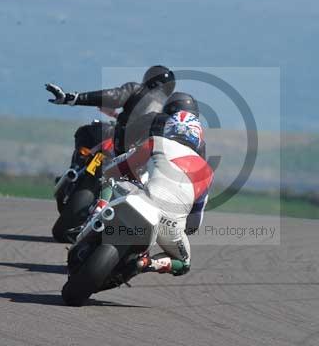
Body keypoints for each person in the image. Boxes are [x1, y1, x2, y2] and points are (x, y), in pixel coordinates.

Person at [102, 108, 212, 276]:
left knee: (108, 178)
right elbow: (195, 220)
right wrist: (183, 229)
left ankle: (97, 211)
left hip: (143, 202)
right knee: (184, 263)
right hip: (171, 225)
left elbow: (121, 168)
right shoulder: (208, 172)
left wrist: (112, 172)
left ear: (169, 128)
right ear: (197, 136)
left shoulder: (156, 141)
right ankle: (148, 262)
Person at [45, 65, 175, 155]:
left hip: (121, 140)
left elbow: (114, 96)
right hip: (147, 152)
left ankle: (77, 168)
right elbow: (143, 123)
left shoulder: (138, 89)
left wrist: (73, 98)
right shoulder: (170, 106)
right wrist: (115, 115)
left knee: (85, 132)